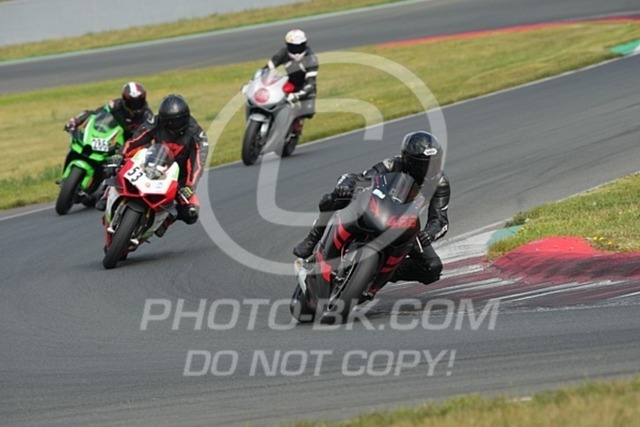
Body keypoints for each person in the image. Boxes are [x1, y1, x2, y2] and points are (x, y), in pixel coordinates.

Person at [292, 130, 450, 292]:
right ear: (409, 161)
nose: (431, 169)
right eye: (424, 165)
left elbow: (440, 220)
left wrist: (429, 233)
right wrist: (347, 185)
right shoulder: (392, 165)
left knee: (432, 267)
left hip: (405, 225)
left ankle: (380, 274)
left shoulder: (440, 182)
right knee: (336, 197)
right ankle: (313, 238)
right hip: (377, 209)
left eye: (435, 163)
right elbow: (363, 178)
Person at [110, 94, 209, 236]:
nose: (172, 126)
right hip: (151, 164)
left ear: (185, 118)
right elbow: (136, 140)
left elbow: (197, 164)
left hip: (178, 178)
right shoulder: (155, 122)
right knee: (115, 167)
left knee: (191, 212)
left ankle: (165, 220)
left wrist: (189, 187)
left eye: (177, 121)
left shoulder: (197, 135)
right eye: (168, 122)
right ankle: (107, 195)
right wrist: (120, 155)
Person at [265, 28, 318, 140]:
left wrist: (297, 95)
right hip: (289, 83)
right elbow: (268, 67)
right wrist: (254, 81)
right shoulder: (283, 53)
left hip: (305, 86)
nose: (296, 51)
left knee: (308, 111)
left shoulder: (311, 59)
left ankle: (297, 122)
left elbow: (310, 82)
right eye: (293, 47)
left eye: (299, 47)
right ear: (287, 45)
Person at [64, 81, 153, 140]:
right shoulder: (115, 106)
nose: (135, 106)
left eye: (138, 102)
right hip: (110, 140)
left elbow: (152, 134)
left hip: (130, 147)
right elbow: (94, 114)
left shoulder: (147, 115)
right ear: (125, 100)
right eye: (132, 103)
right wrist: (75, 121)